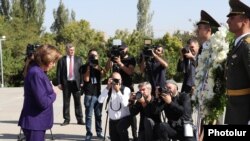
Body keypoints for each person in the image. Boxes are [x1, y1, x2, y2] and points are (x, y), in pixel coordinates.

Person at [18, 45, 61, 141]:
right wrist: (54, 93)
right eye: (53, 62)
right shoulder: (36, 73)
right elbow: (43, 102)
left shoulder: (38, 71)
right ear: (46, 61)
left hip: (37, 123)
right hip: (35, 123)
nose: (54, 65)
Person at [105, 42, 138, 140]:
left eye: (122, 49)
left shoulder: (130, 59)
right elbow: (106, 69)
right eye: (119, 49)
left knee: (130, 112)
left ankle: (134, 135)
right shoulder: (114, 58)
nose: (120, 51)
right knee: (114, 108)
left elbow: (130, 72)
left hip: (127, 88)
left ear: (126, 48)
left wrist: (120, 63)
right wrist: (110, 58)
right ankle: (116, 132)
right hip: (115, 88)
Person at [225, 0, 250, 125]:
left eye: (232, 18)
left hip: (244, 112)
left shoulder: (247, 46)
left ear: (245, 21)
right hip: (234, 109)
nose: (228, 21)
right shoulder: (238, 44)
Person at [56, 43, 84, 126]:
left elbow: (81, 72)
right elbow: (58, 73)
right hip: (66, 84)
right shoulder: (62, 60)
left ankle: (80, 119)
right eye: (71, 50)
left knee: (78, 102)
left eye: (73, 50)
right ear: (67, 50)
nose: (72, 51)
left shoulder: (79, 59)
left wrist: (82, 82)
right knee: (66, 102)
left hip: (76, 83)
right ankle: (66, 119)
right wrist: (59, 83)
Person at [80, 49, 105, 141]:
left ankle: (99, 132)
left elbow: (103, 75)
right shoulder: (84, 67)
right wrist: (89, 68)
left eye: (95, 56)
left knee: (98, 115)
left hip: (98, 94)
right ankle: (88, 133)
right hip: (89, 94)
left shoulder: (99, 67)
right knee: (89, 115)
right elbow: (86, 79)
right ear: (88, 57)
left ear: (98, 56)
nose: (93, 57)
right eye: (91, 56)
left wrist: (97, 66)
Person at [98, 72, 131, 141]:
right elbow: (100, 100)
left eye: (117, 80)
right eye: (114, 80)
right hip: (112, 120)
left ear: (121, 80)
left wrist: (118, 91)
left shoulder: (126, 89)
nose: (116, 82)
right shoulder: (109, 89)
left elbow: (125, 104)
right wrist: (107, 87)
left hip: (123, 120)